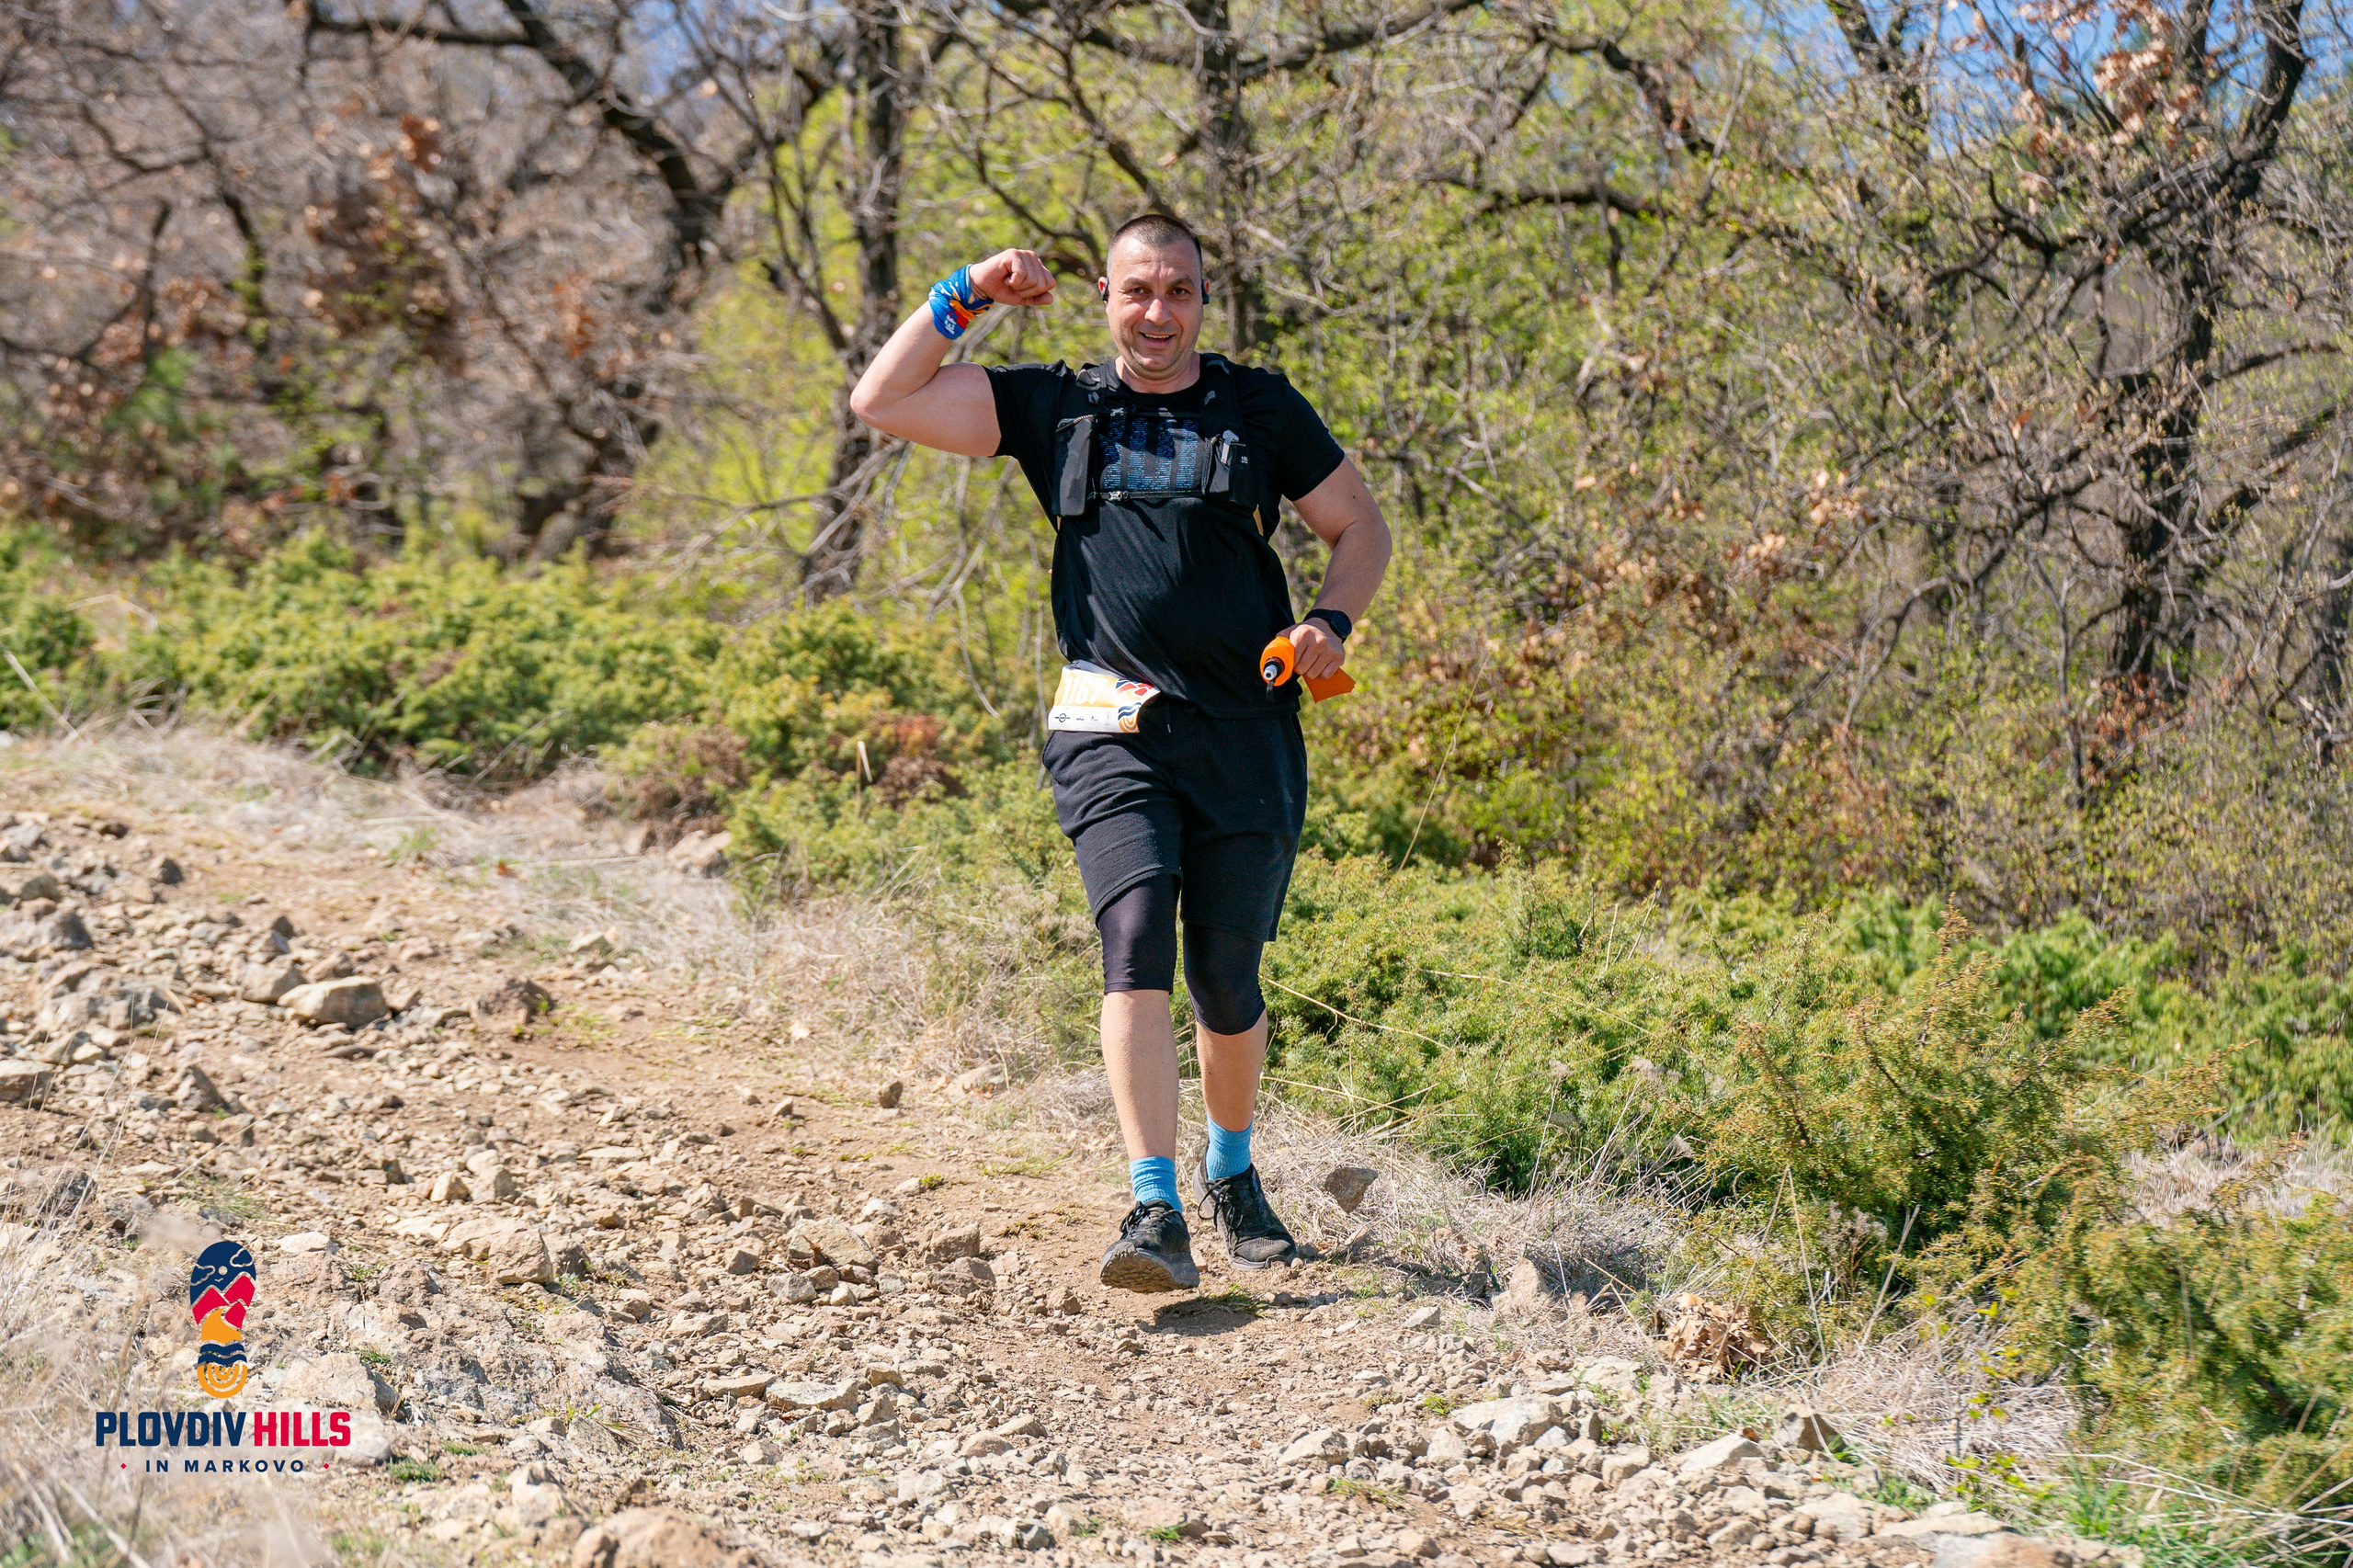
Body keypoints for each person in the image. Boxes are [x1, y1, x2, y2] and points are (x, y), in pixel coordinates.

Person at [849, 214, 1392, 1292]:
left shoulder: (1257, 405)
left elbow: (1360, 526)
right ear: (1104, 292)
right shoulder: (1055, 404)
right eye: (1137, 290)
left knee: (1227, 978)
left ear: (1203, 297)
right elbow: (884, 399)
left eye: (1178, 291)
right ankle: (1154, 1206)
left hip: (1247, 727)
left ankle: (1230, 1172)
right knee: (1135, 934)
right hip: (1110, 723)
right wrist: (971, 289)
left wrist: (1332, 617)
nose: (1157, 313)